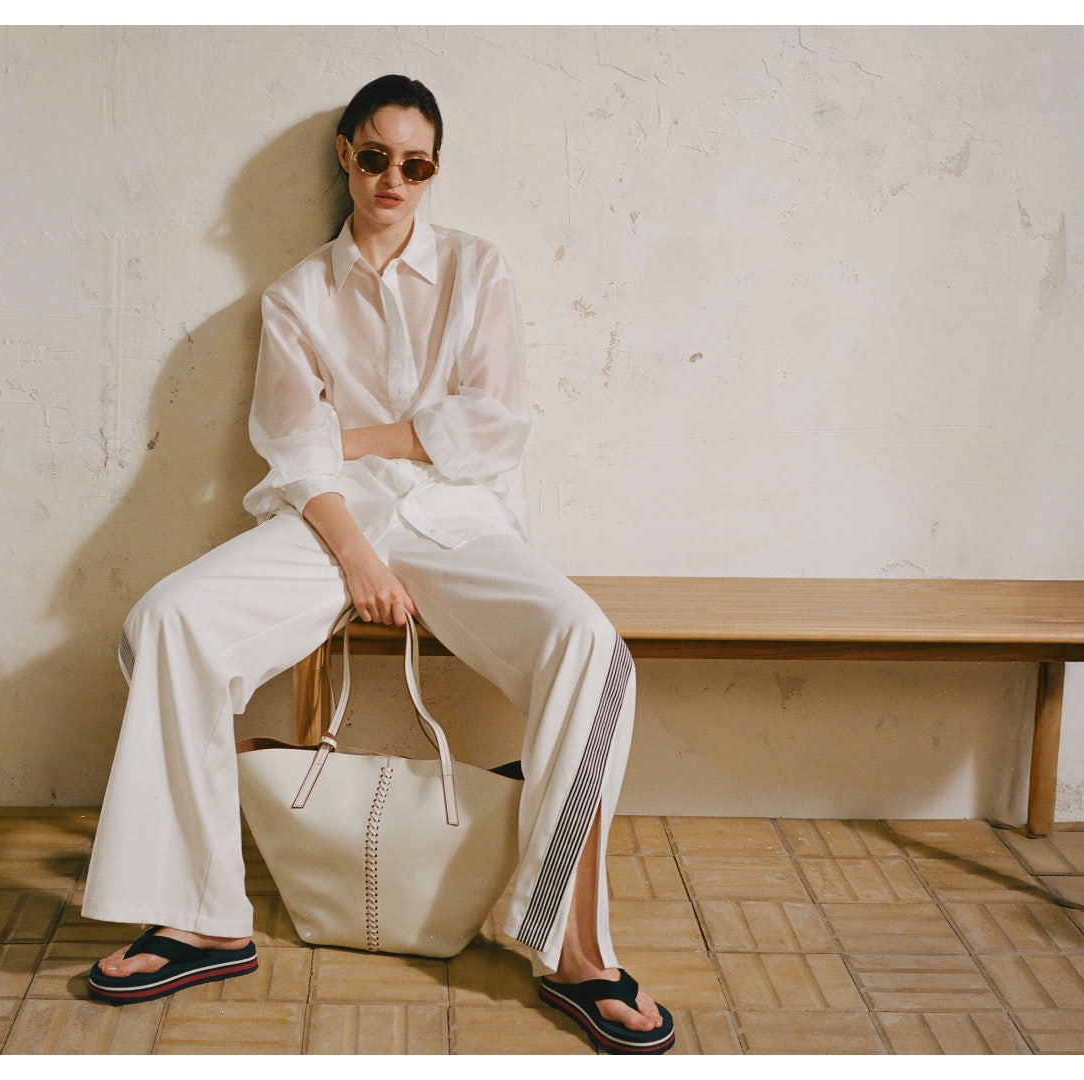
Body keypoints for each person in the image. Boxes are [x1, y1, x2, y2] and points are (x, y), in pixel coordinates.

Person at [81, 74, 673, 1055]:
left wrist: (355, 436)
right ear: (346, 156)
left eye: (416, 164)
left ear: (433, 170)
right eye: (375, 156)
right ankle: (202, 917)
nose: (394, 178)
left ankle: (572, 947)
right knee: (165, 622)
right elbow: (294, 449)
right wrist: (356, 555)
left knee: (589, 646)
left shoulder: (478, 270)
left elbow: (493, 426)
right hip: (331, 524)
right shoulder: (296, 295)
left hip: (457, 520)